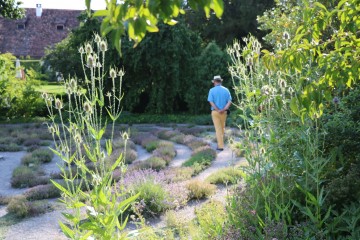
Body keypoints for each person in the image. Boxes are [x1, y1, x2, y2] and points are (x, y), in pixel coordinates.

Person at [207, 75, 232, 151]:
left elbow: (211, 101)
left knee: (218, 129)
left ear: (214, 82)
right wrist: (224, 109)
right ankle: (221, 143)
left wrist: (217, 110)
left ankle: (220, 146)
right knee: (222, 128)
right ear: (220, 81)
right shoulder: (226, 90)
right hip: (224, 113)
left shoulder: (211, 90)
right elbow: (229, 101)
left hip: (215, 112)